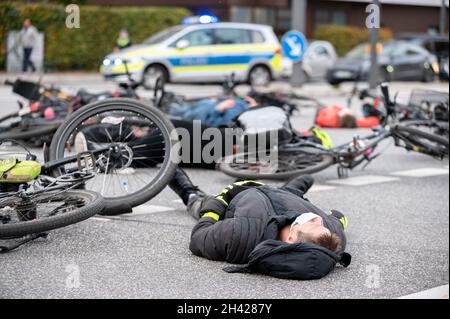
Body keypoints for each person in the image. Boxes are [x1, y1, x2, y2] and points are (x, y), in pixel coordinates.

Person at [168, 168, 349, 264]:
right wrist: (333, 219)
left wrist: (219, 203)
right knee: (300, 184)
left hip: (239, 197)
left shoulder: (241, 235)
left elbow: (199, 236)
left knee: (201, 203)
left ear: (291, 238)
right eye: (319, 223)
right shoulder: (332, 234)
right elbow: (338, 218)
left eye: (313, 225)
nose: (317, 219)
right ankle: (293, 189)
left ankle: (188, 192)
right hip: (286, 198)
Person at [168, 96, 259, 128]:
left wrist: (219, 109)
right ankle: (169, 107)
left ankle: (169, 110)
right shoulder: (243, 105)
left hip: (208, 115)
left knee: (190, 112)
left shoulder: (241, 112)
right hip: (210, 107)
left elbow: (221, 124)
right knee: (201, 104)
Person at [315, 104, 381, 129]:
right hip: (325, 112)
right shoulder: (332, 118)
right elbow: (372, 122)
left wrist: (339, 109)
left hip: (325, 112)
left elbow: (319, 120)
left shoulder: (332, 118)